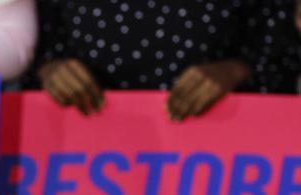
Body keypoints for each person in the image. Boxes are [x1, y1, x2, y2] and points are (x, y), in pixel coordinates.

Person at [30, 0, 301, 121]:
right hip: (78, 163)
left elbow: (282, 56)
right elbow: (31, 49)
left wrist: (234, 71)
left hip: (215, 166)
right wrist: (50, 70)